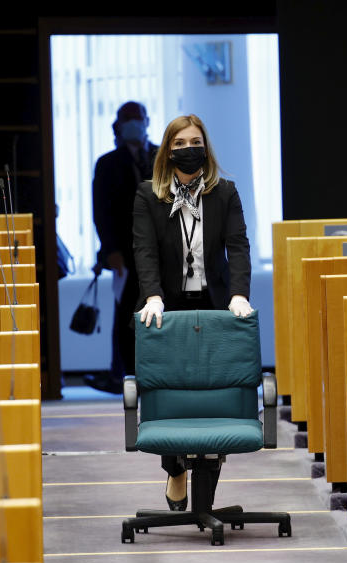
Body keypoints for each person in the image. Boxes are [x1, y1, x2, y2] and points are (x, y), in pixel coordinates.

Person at [132, 113, 254, 511]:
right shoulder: (149, 195)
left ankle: (207, 495)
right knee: (170, 391)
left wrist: (239, 294)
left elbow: (237, 246)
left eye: (194, 141)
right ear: (168, 150)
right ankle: (175, 469)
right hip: (165, 303)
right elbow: (145, 250)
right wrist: (152, 295)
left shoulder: (225, 192)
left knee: (216, 392)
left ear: (206, 146)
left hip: (213, 301)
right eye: (180, 143)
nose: (188, 149)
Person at [89, 102, 159, 393]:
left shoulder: (161, 156)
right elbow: (101, 213)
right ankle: (125, 375)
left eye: (137, 118)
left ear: (146, 121)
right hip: (124, 253)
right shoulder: (108, 163)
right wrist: (110, 249)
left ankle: (157, 373)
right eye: (127, 119)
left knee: (159, 308)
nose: (133, 123)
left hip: (159, 250)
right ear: (118, 125)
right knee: (126, 314)